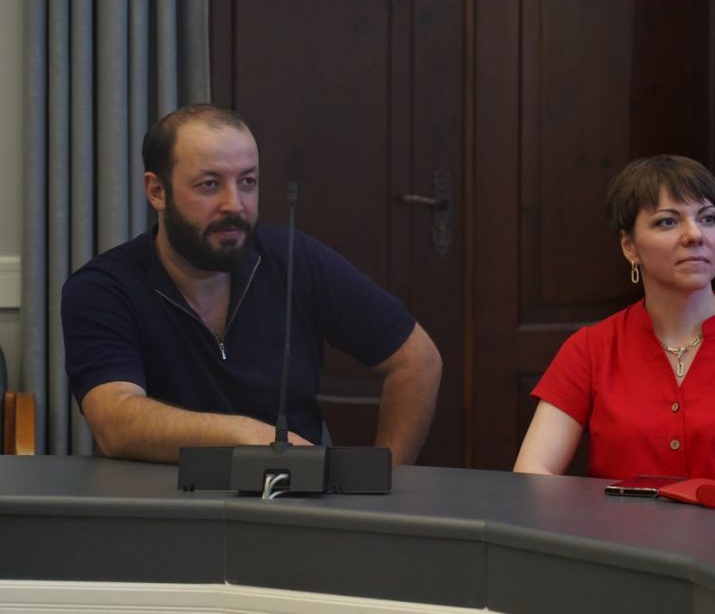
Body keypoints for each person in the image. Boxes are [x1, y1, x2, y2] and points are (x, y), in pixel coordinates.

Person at [61, 104, 441, 464]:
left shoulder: (294, 258)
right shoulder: (103, 288)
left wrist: (384, 481)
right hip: (163, 502)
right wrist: (251, 435)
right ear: (157, 191)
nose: (235, 204)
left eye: (247, 182)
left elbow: (417, 360)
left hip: (292, 498)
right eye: (210, 184)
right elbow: (116, 422)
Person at [513, 155, 715, 502]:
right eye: (668, 222)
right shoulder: (591, 348)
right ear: (630, 246)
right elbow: (533, 472)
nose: (695, 235)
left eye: (708, 218)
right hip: (616, 534)